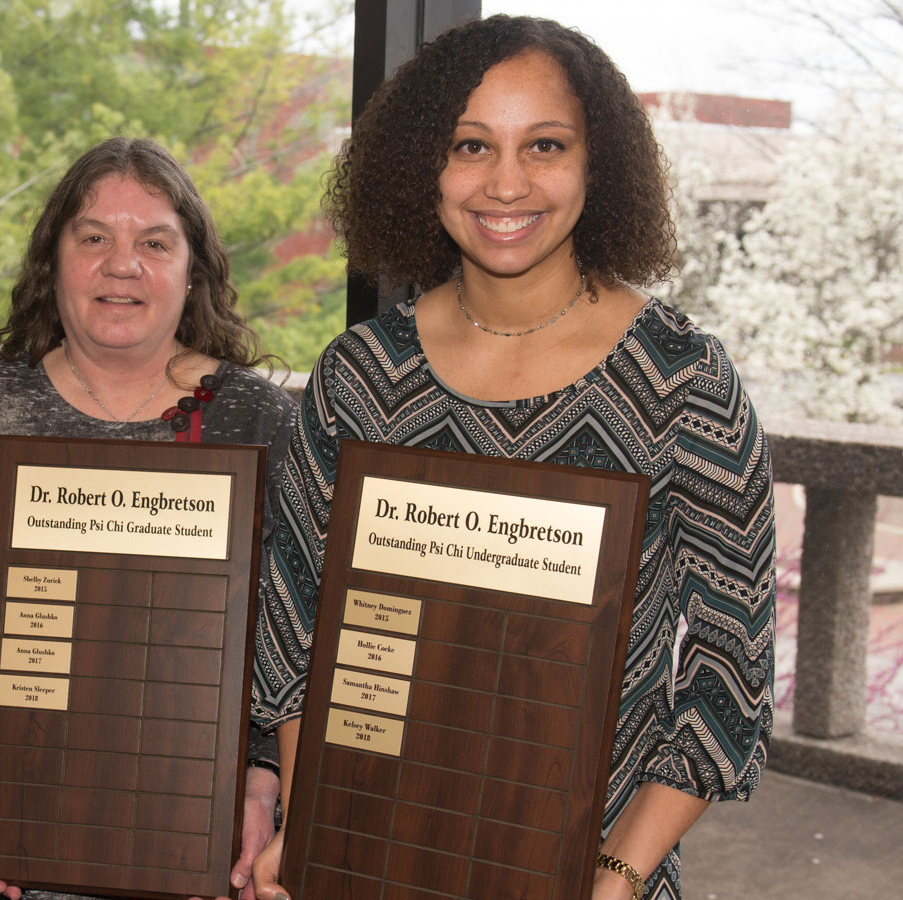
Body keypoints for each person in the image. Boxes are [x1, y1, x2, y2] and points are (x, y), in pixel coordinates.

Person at [246, 16, 775, 900]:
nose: (506, 182)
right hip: (367, 862)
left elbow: (731, 667)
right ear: (424, 165)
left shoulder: (682, 383)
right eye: (471, 145)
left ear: (597, 164)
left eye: (545, 145)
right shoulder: (359, 378)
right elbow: (295, 633)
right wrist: (309, 828)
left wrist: (619, 872)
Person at [0, 137, 298, 900]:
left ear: (193, 272)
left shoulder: (259, 421)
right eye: (93, 238)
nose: (122, 265)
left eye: (154, 242)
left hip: (205, 850)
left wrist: (259, 783)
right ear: (52, 262)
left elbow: (297, 632)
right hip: (0, 840)